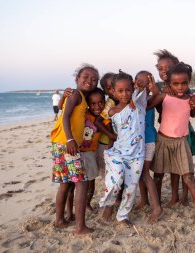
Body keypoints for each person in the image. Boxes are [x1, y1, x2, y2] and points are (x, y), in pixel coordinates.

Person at [149, 62, 195, 218]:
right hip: (163, 141)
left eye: (184, 83)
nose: (180, 87)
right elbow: (146, 106)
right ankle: (157, 206)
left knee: (188, 177)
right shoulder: (164, 96)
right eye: (176, 84)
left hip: (181, 142)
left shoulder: (190, 99)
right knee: (158, 176)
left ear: (189, 82)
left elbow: (193, 115)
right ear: (169, 84)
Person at [50, 63, 99, 236]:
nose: (89, 81)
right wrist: (71, 139)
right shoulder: (76, 94)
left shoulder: (80, 97)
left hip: (60, 143)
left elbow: (63, 110)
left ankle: (60, 220)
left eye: (94, 79)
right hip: (67, 143)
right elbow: (65, 117)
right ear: (77, 79)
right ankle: (80, 227)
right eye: (85, 77)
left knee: (65, 184)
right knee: (82, 182)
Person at [99, 70, 147, 226]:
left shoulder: (138, 104)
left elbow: (142, 89)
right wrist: (110, 136)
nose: (125, 94)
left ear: (132, 89)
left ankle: (123, 216)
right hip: (118, 153)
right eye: (120, 91)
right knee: (116, 180)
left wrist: (138, 88)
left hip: (137, 155)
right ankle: (109, 204)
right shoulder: (112, 111)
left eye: (128, 90)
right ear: (113, 92)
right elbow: (99, 122)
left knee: (131, 188)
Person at [133, 70, 163, 224]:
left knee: (145, 173)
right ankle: (144, 200)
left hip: (148, 140)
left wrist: (154, 89)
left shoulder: (149, 100)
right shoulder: (133, 98)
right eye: (140, 81)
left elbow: (159, 95)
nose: (143, 85)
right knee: (139, 173)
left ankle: (157, 208)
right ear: (134, 81)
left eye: (147, 82)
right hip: (137, 142)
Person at [79, 88, 112, 212]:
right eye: (92, 104)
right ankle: (83, 204)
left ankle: (87, 203)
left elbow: (110, 133)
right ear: (87, 104)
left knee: (91, 181)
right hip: (80, 152)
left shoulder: (104, 117)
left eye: (100, 103)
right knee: (82, 183)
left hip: (92, 152)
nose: (97, 106)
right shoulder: (84, 114)